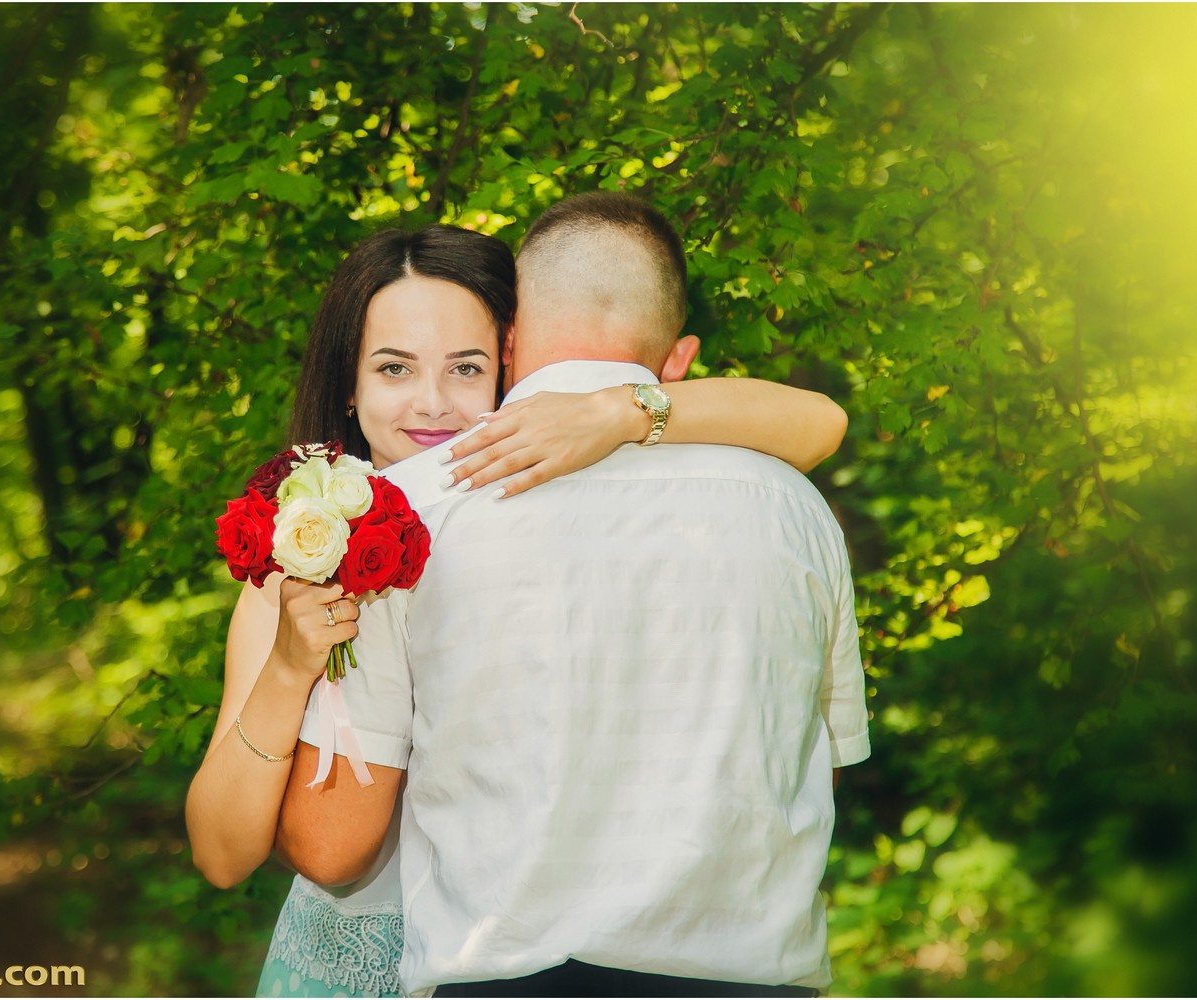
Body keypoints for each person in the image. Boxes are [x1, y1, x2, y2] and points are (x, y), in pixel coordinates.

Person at [184, 219, 851, 997]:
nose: (431, 403)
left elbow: (819, 423)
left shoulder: (490, 505)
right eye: (394, 368)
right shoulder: (300, 563)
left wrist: (619, 412)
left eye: (464, 368)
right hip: (368, 960)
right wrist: (290, 667)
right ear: (349, 386)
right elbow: (223, 856)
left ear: (508, 359)